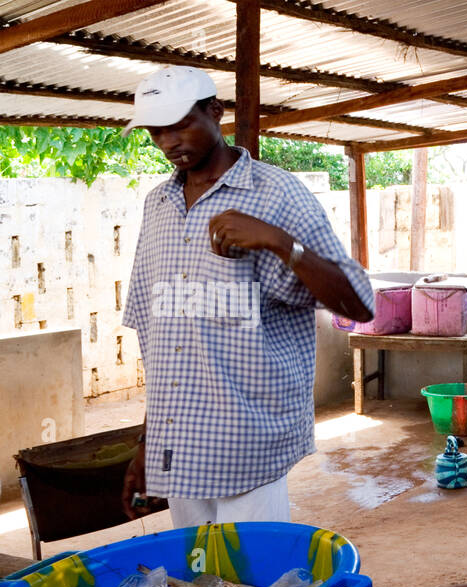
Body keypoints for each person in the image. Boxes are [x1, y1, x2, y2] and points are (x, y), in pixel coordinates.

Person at [118, 66, 374, 527]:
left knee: (253, 583)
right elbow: (158, 340)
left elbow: (359, 303)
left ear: (216, 112)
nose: (169, 143)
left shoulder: (278, 195)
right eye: (156, 132)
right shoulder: (157, 205)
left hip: (248, 437)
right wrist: (148, 444)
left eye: (179, 125)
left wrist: (281, 242)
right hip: (181, 441)